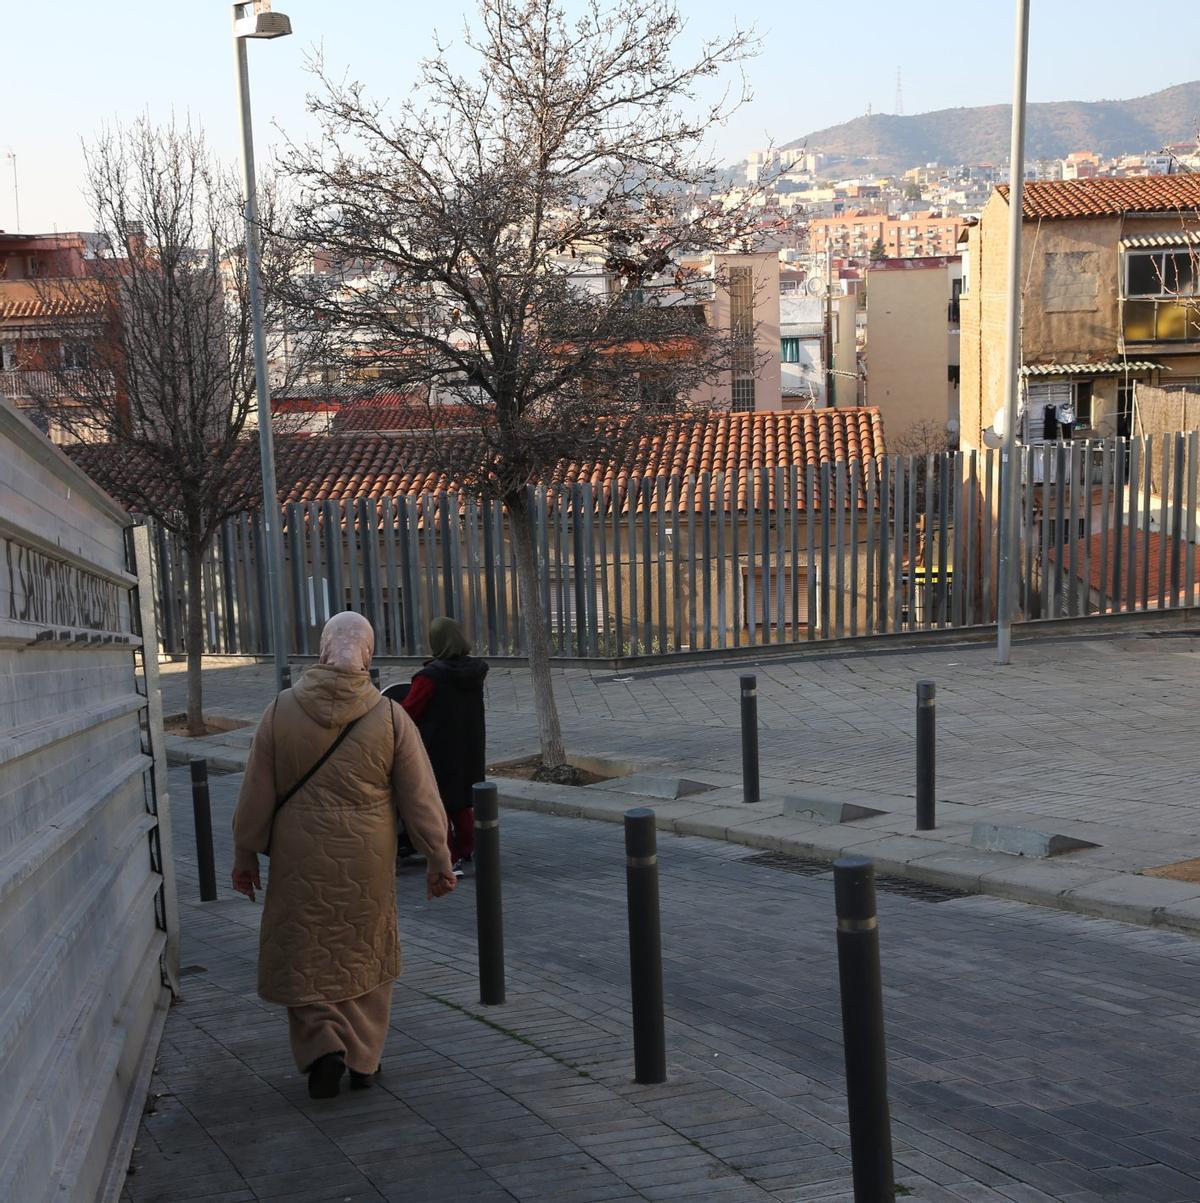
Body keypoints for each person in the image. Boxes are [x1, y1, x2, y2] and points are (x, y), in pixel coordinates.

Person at [230, 612, 456, 1101]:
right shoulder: (390, 717)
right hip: (367, 858)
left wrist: (245, 853)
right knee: (364, 950)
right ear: (368, 656)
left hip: (297, 854)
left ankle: (322, 1048)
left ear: (322, 651)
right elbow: (420, 797)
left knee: (306, 950)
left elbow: (255, 794)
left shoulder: (280, 710)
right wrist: (438, 855)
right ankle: (363, 1058)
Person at [399, 616, 488, 876]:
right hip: (469, 745)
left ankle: (449, 857)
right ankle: (468, 846)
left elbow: (408, 712)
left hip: (437, 749)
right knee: (461, 801)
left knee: (437, 804)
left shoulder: (430, 677)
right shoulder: (475, 671)